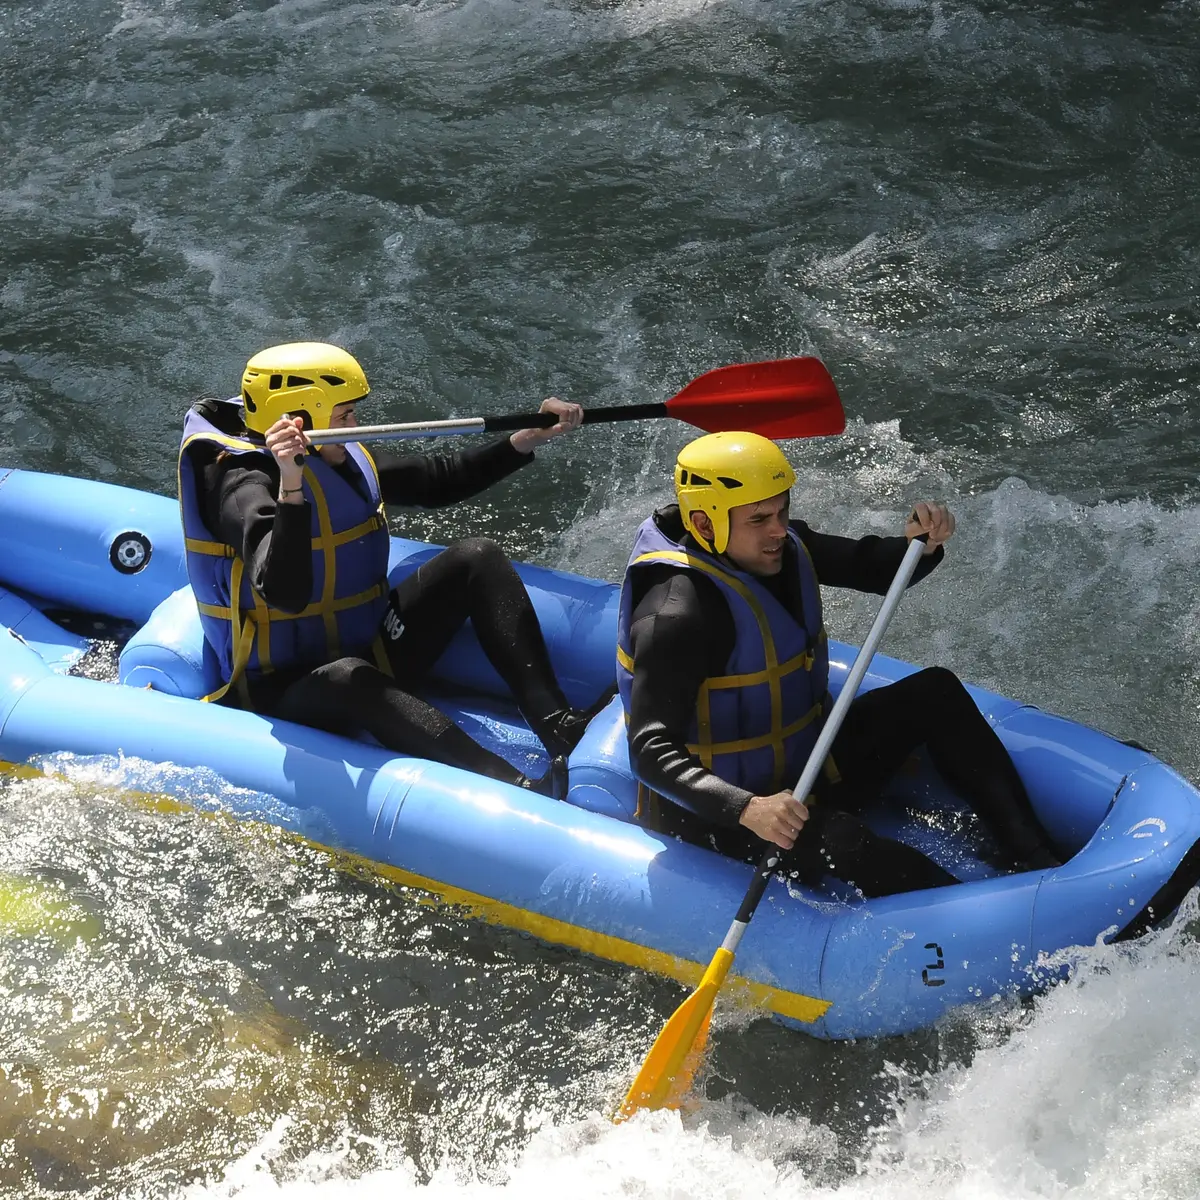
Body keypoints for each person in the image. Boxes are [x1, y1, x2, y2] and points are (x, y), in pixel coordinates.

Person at [615, 430, 1062, 897]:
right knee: (842, 840)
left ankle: (1036, 859)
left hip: (808, 765)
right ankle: (987, 917)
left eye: (782, 510)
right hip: (720, 814)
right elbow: (649, 752)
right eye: (760, 518)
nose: (778, 528)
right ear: (706, 526)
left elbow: (865, 565)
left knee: (935, 692)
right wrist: (750, 809)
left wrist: (918, 545)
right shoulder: (675, 615)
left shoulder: (779, 547)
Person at [178, 340, 603, 797]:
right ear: (303, 422)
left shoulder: (337, 451)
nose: (355, 426)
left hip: (367, 645)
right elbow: (284, 592)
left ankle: (558, 725)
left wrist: (525, 440)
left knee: (477, 556)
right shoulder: (239, 483)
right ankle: (513, 786)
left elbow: (437, 479)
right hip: (282, 689)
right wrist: (292, 485)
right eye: (344, 416)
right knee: (348, 676)